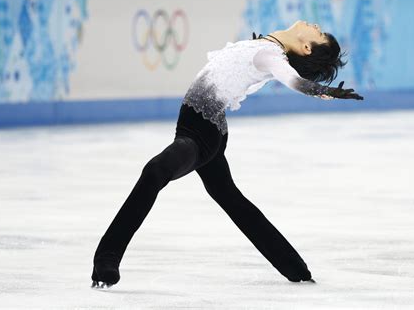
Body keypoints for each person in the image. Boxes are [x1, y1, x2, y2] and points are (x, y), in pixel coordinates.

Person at [91, 20, 363, 288]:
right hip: (206, 126)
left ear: (306, 47)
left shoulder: (272, 56)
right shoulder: (265, 46)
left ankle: (106, 260)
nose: (315, 25)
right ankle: (295, 268)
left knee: (155, 171)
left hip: (201, 134)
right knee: (231, 199)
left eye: (319, 33)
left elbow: (292, 80)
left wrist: (322, 91)